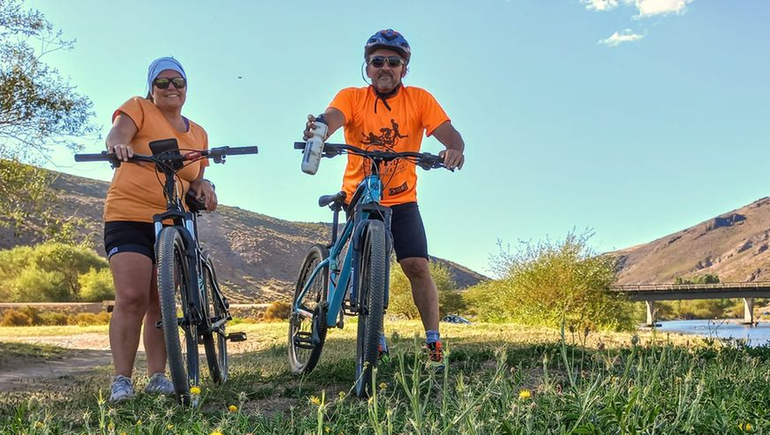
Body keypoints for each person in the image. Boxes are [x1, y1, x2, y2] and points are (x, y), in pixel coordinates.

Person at [303, 29, 465, 371]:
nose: (385, 68)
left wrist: (453, 149)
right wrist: (319, 129)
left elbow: (450, 135)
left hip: (403, 198)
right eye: (378, 61)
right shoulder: (352, 96)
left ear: (404, 68)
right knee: (367, 262)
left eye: (394, 62)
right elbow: (332, 117)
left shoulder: (419, 99)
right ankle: (374, 336)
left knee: (417, 266)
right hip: (361, 196)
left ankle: (434, 343)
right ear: (368, 67)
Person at [103, 56, 217, 402]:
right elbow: (117, 133)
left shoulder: (198, 133)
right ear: (151, 88)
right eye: (162, 82)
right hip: (129, 214)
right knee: (132, 296)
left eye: (178, 82)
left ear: (186, 88)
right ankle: (122, 380)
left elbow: (195, 178)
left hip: (172, 222)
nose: (171, 88)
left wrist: (204, 185)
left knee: (161, 299)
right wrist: (118, 145)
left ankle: (158, 376)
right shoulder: (138, 108)